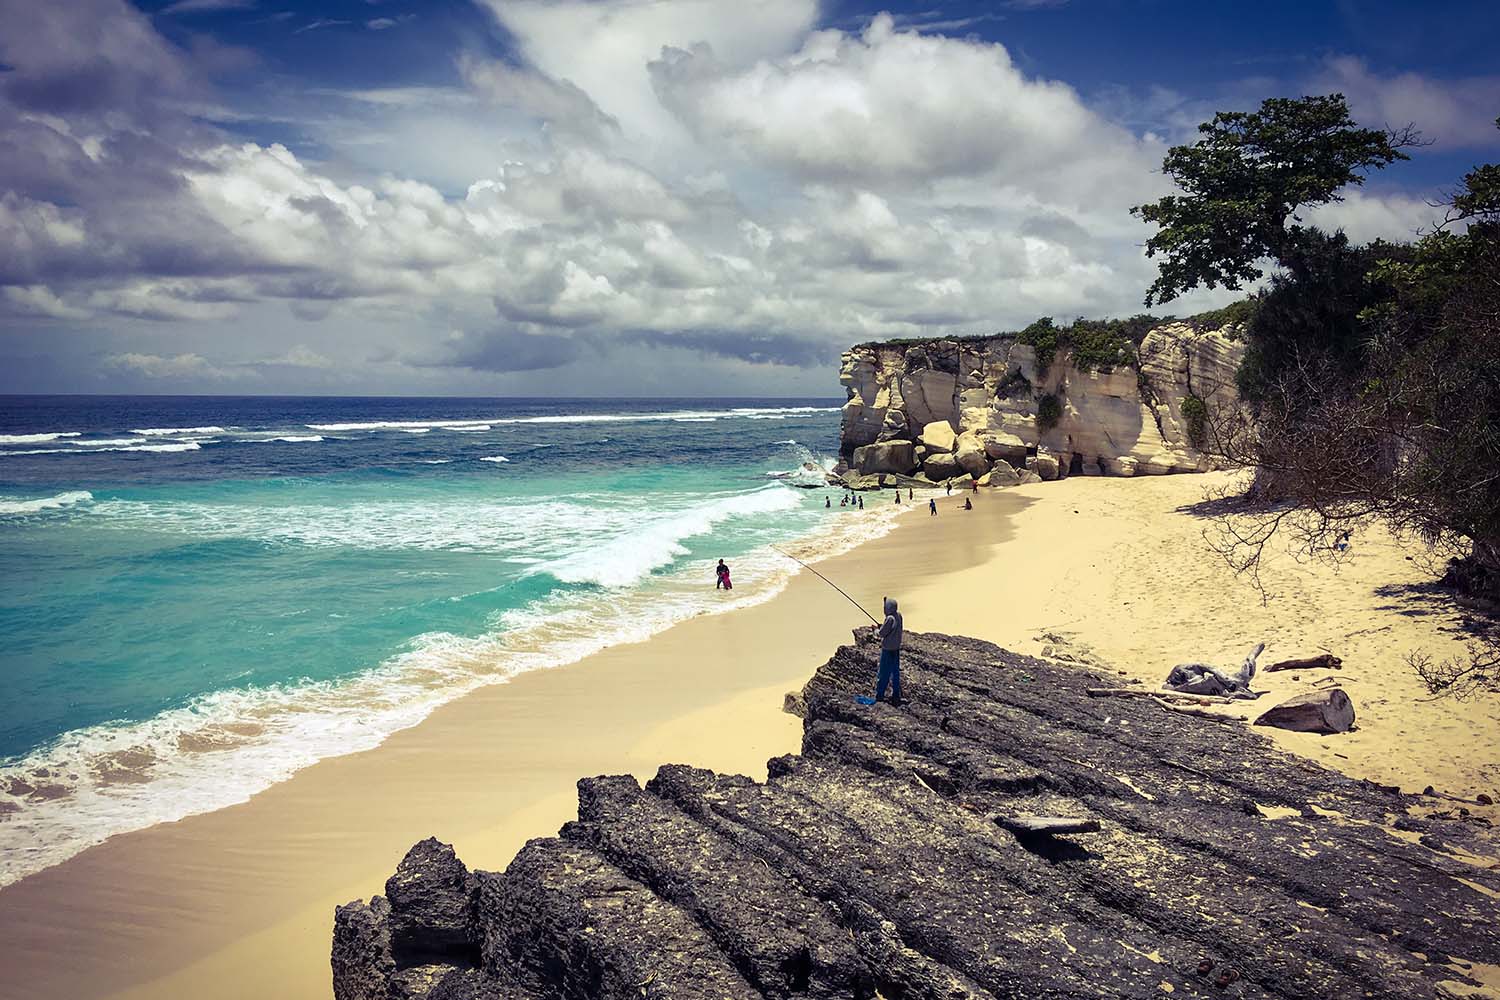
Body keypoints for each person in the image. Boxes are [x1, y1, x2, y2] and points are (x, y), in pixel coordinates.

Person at [875, 596, 903, 705]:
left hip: (887, 650)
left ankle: (879, 696)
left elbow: (882, 634)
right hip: (896, 649)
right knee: (895, 673)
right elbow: (892, 629)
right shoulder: (899, 616)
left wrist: (876, 630)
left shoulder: (890, 618)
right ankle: (896, 695)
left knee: (883, 673)